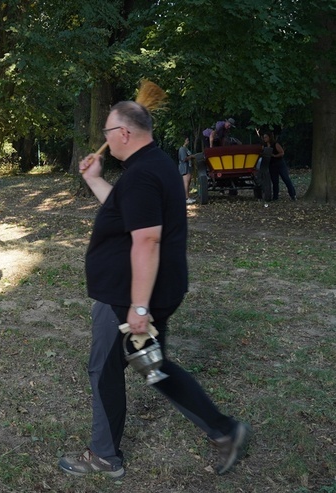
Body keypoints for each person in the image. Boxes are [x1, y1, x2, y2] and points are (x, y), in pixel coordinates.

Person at [58, 101, 251, 479]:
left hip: (126, 297)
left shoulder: (143, 174)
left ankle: (103, 455)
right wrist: (95, 179)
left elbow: (146, 241)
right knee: (153, 365)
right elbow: (126, 212)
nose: (106, 142)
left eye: (108, 134)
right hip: (152, 290)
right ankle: (225, 430)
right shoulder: (155, 165)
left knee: (104, 370)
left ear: (125, 134)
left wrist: (139, 308)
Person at [262, 133, 296, 201]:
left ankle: (292, 194)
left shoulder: (275, 144)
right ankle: (275, 197)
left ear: (269, 137)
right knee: (275, 181)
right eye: (264, 137)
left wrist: (274, 155)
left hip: (279, 164)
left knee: (286, 179)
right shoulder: (264, 145)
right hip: (271, 164)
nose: (265, 138)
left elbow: (282, 153)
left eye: (266, 137)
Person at [178, 136, 195, 204]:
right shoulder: (182, 149)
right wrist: (191, 156)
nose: (188, 141)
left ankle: (188, 197)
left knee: (188, 183)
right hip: (184, 168)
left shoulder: (186, 148)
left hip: (188, 167)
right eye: (187, 140)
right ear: (184, 141)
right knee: (186, 183)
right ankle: (186, 198)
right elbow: (184, 159)